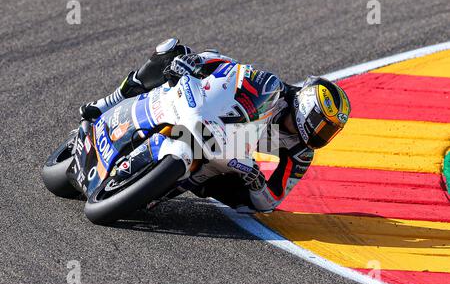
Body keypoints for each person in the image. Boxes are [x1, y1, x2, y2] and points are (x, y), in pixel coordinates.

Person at [80, 38, 351, 213]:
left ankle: (162, 186)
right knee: (171, 51)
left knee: (244, 201)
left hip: (230, 154)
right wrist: (196, 63)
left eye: (329, 131)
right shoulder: (272, 87)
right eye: (321, 124)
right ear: (306, 108)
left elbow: (272, 201)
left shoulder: (301, 153)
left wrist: (256, 181)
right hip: (211, 115)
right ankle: (108, 102)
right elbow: (229, 67)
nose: (321, 134)